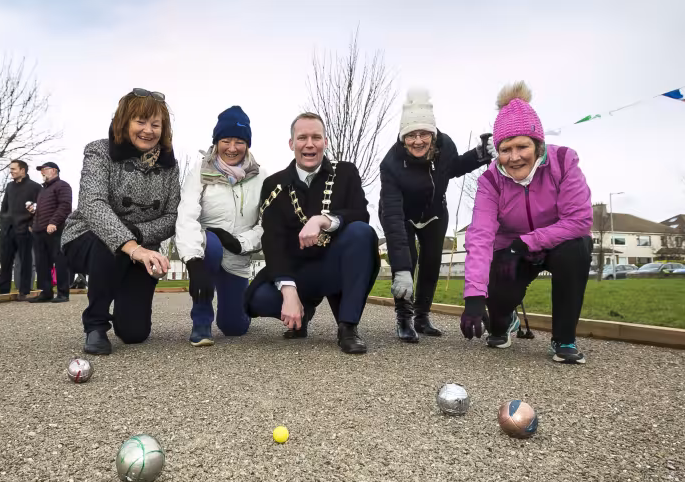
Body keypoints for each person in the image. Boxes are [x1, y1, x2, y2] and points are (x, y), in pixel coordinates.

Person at [460, 82, 593, 364]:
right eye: (505, 149)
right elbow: (481, 236)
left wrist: (527, 242)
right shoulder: (490, 181)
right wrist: (473, 296)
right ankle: (505, 321)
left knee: (577, 247)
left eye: (522, 146)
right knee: (495, 312)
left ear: (538, 144)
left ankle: (564, 338)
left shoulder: (563, 161)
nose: (514, 157)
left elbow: (579, 220)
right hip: (511, 252)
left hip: (558, 244)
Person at [244, 112, 379, 354]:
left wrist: (324, 220)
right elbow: (273, 240)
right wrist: (289, 291)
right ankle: (302, 313)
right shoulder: (274, 184)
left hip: (336, 264)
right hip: (298, 271)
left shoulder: (346, 172)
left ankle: (348, 326)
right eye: (302, 137)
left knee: (361, 233)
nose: (309, 144)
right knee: (259, 298)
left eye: (316, 137)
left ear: (325, 142)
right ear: (291, 143)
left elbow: (360, 214)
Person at [61, 88, 183, 355]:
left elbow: (172, 217)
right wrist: (129, 244)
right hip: (87, 237)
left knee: (134, 333)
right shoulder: (99, 151)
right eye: (140, 121)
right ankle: (95, 324)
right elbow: (92, 204)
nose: (148, 130)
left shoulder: (170, 166)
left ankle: (123, 299)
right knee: (110, 242)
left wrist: (139, 237)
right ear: (124, 121)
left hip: (143, 245)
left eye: (155, 124)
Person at [379, 89, 495, 343]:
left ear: (433, 133)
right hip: (401, 215)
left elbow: (453, 168)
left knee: (431, 262)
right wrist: (400, 268)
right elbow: (393, 219)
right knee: (409, 260)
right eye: (410, 135)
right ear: (402, 138)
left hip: (434, 213)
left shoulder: (445, 146)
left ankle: (422, 316)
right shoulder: (391, 164)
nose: (418, 140)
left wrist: (479, 154)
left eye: (424, 134)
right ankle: (404, 319)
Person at [175, 106, 266, 347]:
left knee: (234, 328)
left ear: (248, 144)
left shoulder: (261, 177)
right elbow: (186, 217)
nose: (232, 148)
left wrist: (240, 243)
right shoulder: (200, 172)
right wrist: (193, 261)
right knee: (212, 242)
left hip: (237, 257)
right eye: (226, 140)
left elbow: (266, 225)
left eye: (240, 141)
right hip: (207, 251)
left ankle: (241, 307)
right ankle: (201, 322)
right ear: (216, 142)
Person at [29, 161, 73, 303]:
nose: (42, 172)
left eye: (44, 169)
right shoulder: (43, 190)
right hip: (39, 230)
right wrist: (33, 220)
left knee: (60, 261)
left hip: (56, 230)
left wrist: (54, 222)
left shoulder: (63, 186)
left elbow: (65, 206)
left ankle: (63, 293)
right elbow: (43, 210)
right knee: (42, 262)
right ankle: (46, 292)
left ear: (54, 170)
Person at [0, 159, 40, 300]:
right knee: (5, 261)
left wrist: (31, 225)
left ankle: (24, 290)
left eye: (14, 169)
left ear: (23, 170)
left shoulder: (35, 187)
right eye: (10, 169)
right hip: (7, 229)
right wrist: (3, 221)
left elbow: (39, 208)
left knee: (25, 261)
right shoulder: (9, 186)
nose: (11, 171)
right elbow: (4, 206)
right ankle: (2, 291)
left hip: (24, 229)